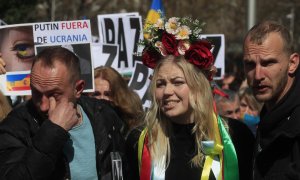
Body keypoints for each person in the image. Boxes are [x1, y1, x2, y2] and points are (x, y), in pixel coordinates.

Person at [126, 16, 254, 180]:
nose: (167, 91)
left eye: (177, 82)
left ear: (198, 86)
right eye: (160, 84)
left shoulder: (235, 136)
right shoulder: (139, 141)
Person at [0, 47, 128, 179]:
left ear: (78, 89)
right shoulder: (16, 126)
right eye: (36, 93)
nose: (43, 106)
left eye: (54, 95)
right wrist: (52, 132)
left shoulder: (103, 114)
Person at [243, 20, 300, 179]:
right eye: (250, 64)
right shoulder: (271, 113)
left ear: (292, 63)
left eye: (268, 63)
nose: (258, 75)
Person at [89, 66, 144, 137]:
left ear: (119, 95)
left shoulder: (131, 126)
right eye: (96, 94)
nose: (102, 98)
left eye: (108, 94)